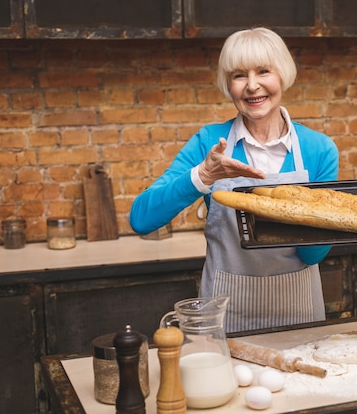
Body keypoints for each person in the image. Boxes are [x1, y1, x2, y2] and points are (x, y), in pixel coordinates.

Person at [130, 27, 339, 332]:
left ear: (282, 75)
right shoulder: (209, 143)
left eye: (264, 71)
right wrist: (202, 176)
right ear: (228, 85)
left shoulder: (318, 150)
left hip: (298, 312)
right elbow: (142, 219)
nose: (252, 86)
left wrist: (325, 219)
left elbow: (311, 254)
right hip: (225, 314)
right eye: (239, 75)